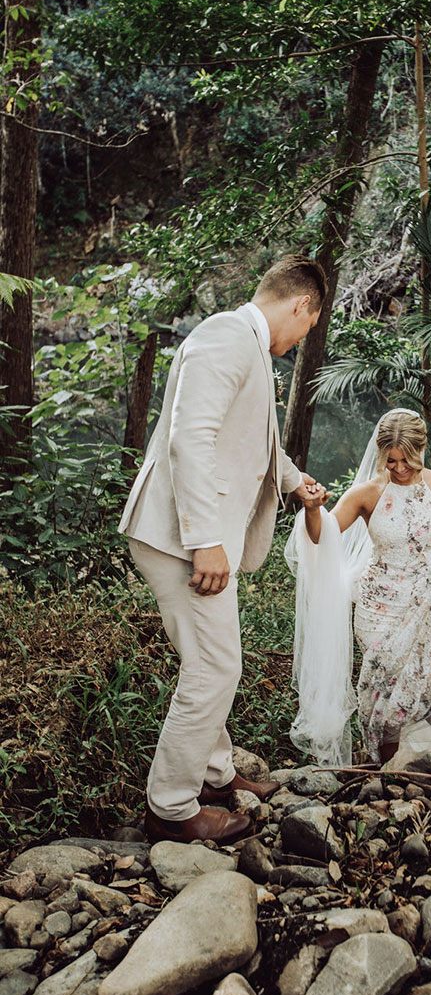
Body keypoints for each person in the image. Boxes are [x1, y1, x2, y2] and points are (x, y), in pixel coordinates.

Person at [119, 255, 328, 844]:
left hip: (189, 537)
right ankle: (171, 805)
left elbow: (253, 444)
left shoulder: (248, 349)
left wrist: (293, 481)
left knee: (210, 659)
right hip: (180, 539)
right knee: (215, 668)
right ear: (300, 305)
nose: (303, 337)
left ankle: (212, 775)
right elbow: (191, 437)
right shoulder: (224, 337)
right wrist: (206, 539)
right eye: (309, 326)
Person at [287, 408, 431, 766]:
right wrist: (312, 509)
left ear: (422, 450)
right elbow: (321, 534)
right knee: (383, 683)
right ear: (380, 454)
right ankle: (388, 761)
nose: (400, 468)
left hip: (429, 598)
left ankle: (430, 751)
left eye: (408, 460)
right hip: (379, 607)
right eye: (391, 461)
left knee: (430, 677)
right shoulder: (367, 494)